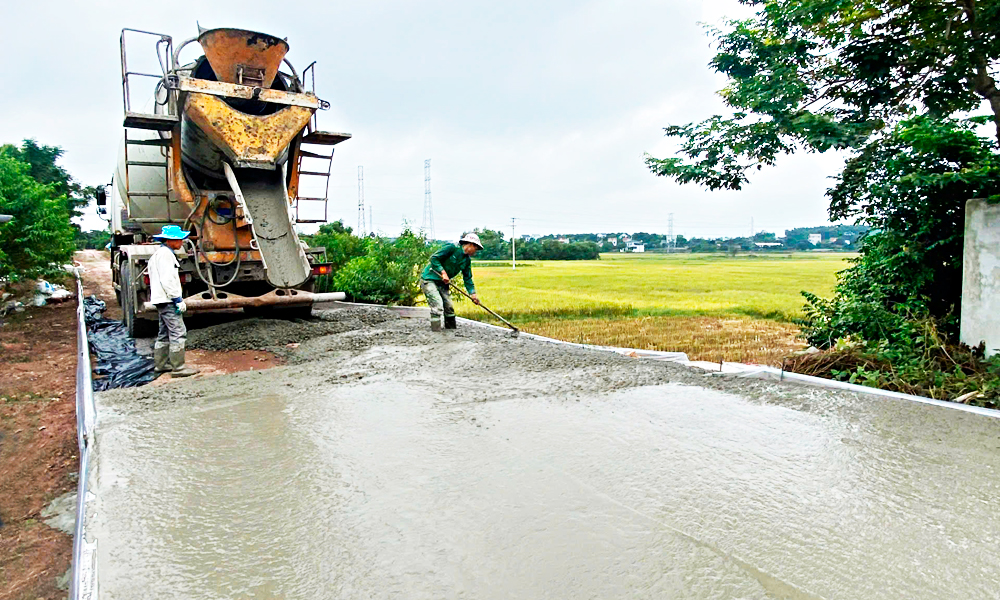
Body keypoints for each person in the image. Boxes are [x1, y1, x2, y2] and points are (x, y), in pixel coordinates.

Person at [149, 225, 199, 378]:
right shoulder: (165, 255)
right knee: (178, 332)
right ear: (170, 240)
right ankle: (178, 368)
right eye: (179, 239)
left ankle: (162, 365)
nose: (182, 242)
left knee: (164, 333)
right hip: (167, 300)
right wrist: (177, 299)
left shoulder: (160, 253)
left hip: (162, 300)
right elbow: (167, 279)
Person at [420, 233, 483, 331]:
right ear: (471, 244)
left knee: (449, 307)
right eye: (476, 248)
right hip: (430, 278)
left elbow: (467, 278)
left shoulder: (466, 260)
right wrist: (443, 272)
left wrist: (473, 294)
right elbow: (434, 258)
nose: (475, 252)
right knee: (437, 305)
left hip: (443, 283)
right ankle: (435, 332)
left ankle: (451, 331)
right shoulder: (451, 248)